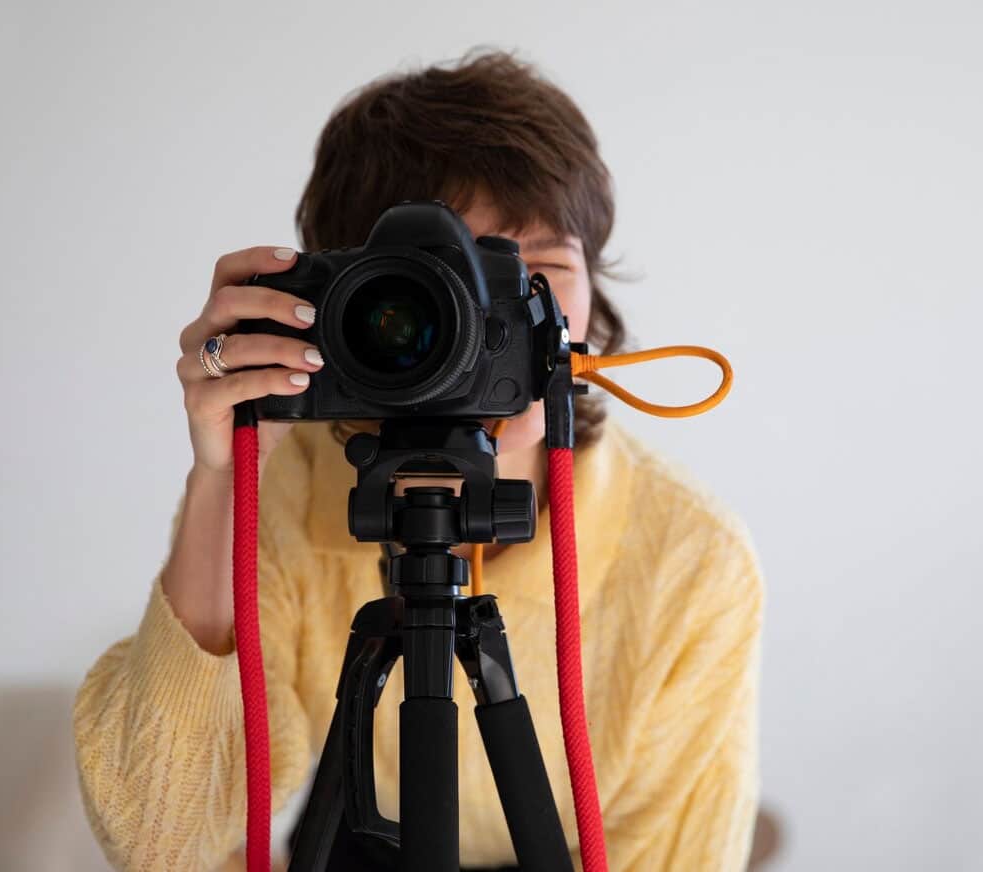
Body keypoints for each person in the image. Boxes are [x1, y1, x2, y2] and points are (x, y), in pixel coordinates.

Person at [72, 48, 765, 872]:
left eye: (531, 275)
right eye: (432, 291)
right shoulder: (282, 493)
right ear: (341, 308)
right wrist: (225, 474)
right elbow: (162, 840)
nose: (475, 334)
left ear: (590, 311)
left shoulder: (690, 561)